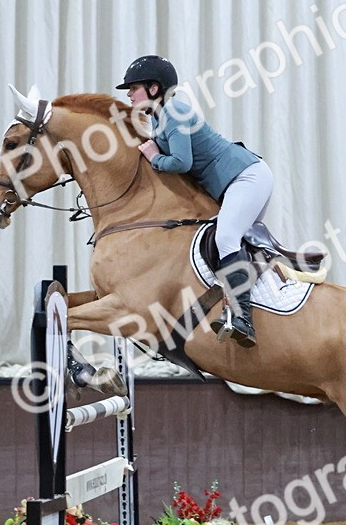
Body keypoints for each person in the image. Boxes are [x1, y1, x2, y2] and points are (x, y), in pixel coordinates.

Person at [116, 55, 272, 349]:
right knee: (225, 243)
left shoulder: (173, 109)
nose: (128, 94)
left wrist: (153, 157)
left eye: (133, 87)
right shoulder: (158, 117)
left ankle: (243, 319)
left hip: (246, 177)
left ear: (153, 88)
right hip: (235, 182)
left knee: (226, 238)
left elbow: (181, 162)